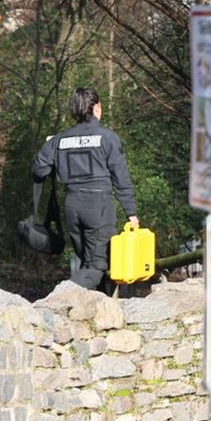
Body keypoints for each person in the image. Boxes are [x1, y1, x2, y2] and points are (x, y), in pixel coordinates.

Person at [31, 87, 138, 292]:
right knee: (98, 265)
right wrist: (131, 212)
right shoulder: (107, 138)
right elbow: (121, 179)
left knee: (87, 262)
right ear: (97, 107)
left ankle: (96, 311)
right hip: (99, 206)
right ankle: (62, 295)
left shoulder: (60, 139)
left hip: (72, 207)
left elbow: (39, 170)